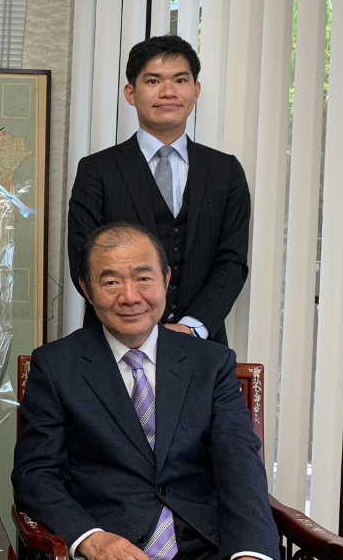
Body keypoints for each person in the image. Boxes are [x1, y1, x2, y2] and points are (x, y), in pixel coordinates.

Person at [13, 223, 331, 560]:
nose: (130, 296)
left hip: (208, 550)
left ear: (166, 279)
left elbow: (239, 464)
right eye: (111, 280)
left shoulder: (211, 363)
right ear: (86, 287)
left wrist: (252, 555)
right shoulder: (58, 367)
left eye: (144, 278)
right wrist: (91, 539)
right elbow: (35, 476)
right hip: (118, 556)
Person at [68, 35, 250, 344]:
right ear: (130, 92)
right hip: (113, 339)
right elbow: (85, 261)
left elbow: (231, 260)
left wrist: (193, 325)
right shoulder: (96, 170)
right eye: (153, 80)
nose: (168, 91)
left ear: (195, 90)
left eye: (180, 80)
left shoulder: (226, 171)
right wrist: (135, 322)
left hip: (202, 343)